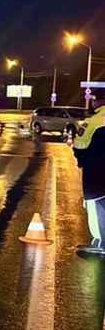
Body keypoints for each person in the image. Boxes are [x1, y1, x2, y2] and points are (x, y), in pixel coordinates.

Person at [72, 102, 105, 255]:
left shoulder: (93, 121)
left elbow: (79, 146)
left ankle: (101, 244)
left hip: (97, 173)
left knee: (96, 206)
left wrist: (81, 160)